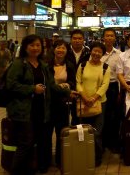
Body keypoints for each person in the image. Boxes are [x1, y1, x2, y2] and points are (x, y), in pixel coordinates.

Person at [6, 34, 76, 174]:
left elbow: (51, 85)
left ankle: (32, 167)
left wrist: (68, 93)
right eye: (32, 45)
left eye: (38, 45)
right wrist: (32, 89)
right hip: (24, 111)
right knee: (25, 143)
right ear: (25, 47)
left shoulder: (42, 65)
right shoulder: (19, 64)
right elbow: (11, 85)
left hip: (41, 109)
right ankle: (16, 170)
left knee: (36, 140)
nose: (35, 48)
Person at [76, 42, 110, 166]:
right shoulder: (83, 65)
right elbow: (78, 82)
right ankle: (84, 155)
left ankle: (97, 157)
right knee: (83, 131)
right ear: (91, 51)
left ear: (102, 54)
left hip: (100, 103)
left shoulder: (105, 67)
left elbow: (105, 85)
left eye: (99, 52)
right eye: (94, 51)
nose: (96, 53)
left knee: (96, 132)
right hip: (83, 102)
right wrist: (84, 96)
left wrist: (94, 98)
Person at [47, 39, 76, 167]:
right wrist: (62, 87)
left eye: (63, 48)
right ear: (53, 49)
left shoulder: (69, 65)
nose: (60, 50)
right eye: (58, 47)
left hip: (62, 104)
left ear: (66, 50)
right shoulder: (45, 64)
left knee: (61, 132)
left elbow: (72, 82)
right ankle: (45, 161)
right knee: (46, 133)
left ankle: (60, 160)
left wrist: (66, 86)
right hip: (47, 103)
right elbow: (47, 85)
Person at [100, 28, 122, 153]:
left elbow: (120, 75)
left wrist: (120, 92)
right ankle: (103, 142)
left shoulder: (119, 54)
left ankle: (114, 142)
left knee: (115, 116)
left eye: (111, 36)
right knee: (102, 115)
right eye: (107, 36)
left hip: (113, 87)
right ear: (103, 37)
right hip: (99, 88)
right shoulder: (97, 52)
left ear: (115, 38)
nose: (109, 38)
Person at [66, 29, 91, 125]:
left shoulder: (88, 52)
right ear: (71, 39)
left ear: (83, 40)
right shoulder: (65, 51)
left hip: (84, 88)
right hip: (68, 87)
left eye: (80, 38)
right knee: (64, 118)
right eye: (74, 38)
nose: (77, 41)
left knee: (80, 117)